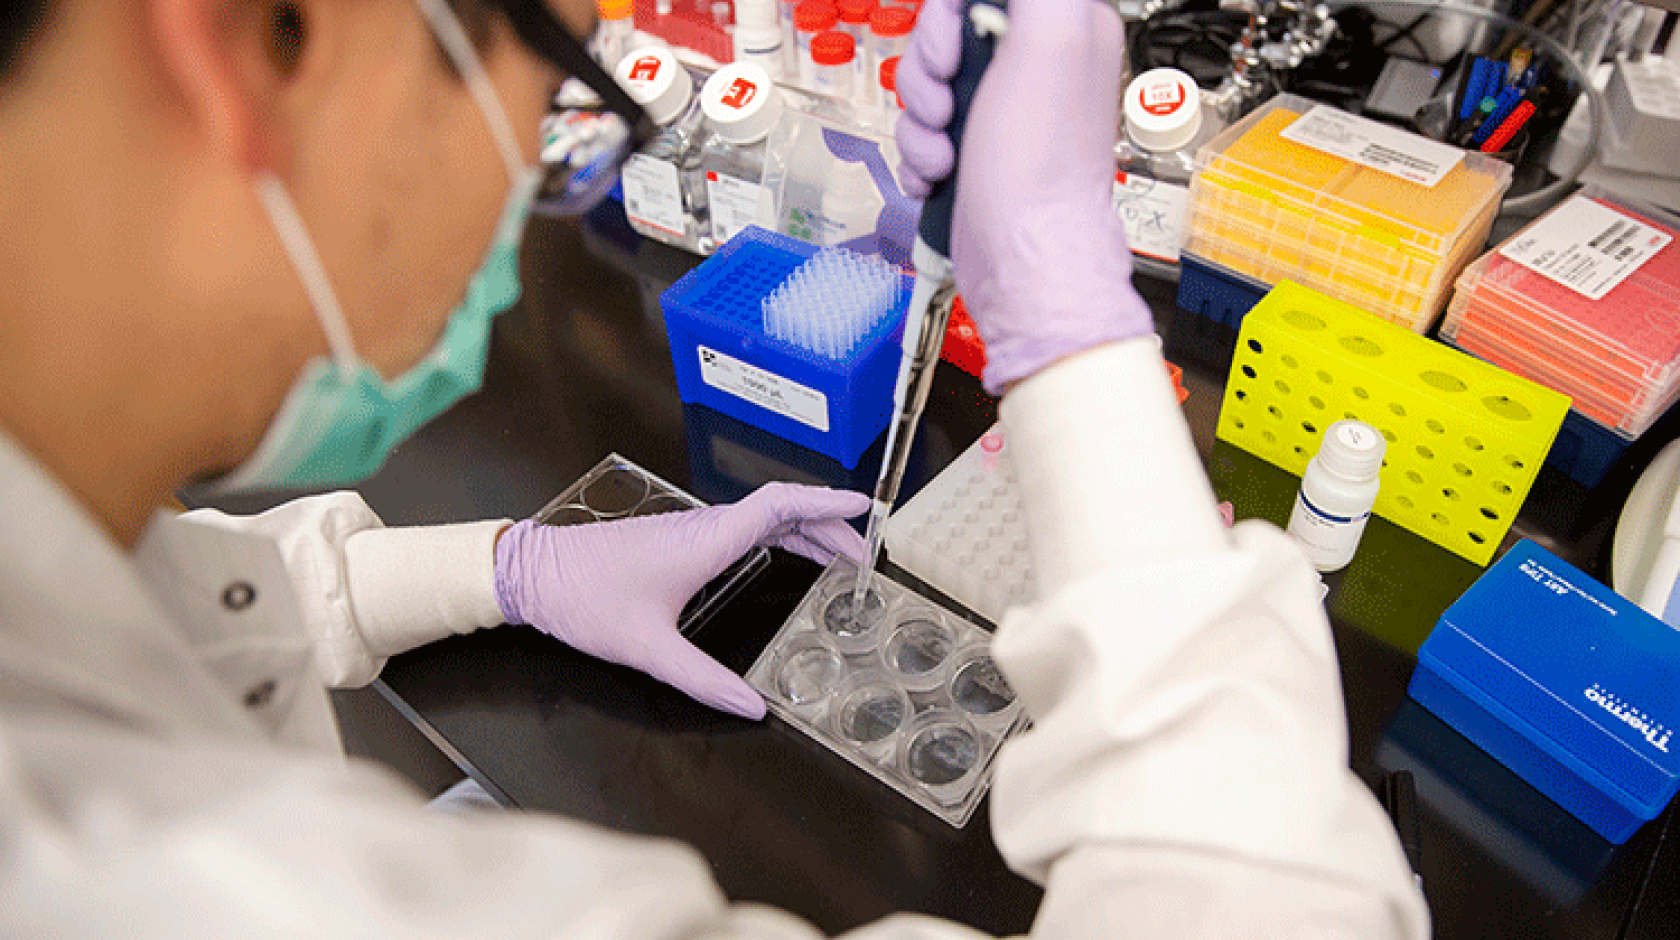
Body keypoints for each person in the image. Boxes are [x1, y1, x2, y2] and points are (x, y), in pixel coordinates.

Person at [0, 0, 1430, 937]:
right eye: (565, 81)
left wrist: (497, 567)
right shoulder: (169, 891)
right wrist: (1070, 334)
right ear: (257, 41)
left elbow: (173, 603)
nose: (535, 180)